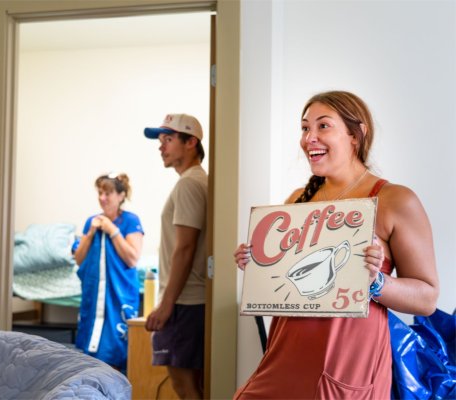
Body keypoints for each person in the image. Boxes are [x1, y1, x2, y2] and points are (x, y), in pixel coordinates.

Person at [233, 90, 440, 399]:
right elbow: (284, 284)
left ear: (356, 135)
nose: (309, 138)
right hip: (284, 356)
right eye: (305, 128)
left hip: (348, 362)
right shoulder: (296, 200)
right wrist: (257, 262)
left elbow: (426, 298)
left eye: (323, 126)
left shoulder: (395, 200)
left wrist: (375, 281)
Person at [144, 113, 208, 399]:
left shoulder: (189, 184)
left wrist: (166, 306)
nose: (161, 146)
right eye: (160, 140)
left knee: (185, 387)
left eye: (168, 139)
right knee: (196, 386)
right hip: (190, 301)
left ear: (191, 142)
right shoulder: (198, 182)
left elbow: (185, 247)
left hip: (184, 302)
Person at [73, 172, 144, 372]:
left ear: (121, 196)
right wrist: (92, 232)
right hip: (95, 297)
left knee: (114, 353)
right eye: (100, 193)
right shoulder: (92, 221)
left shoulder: (130, 221)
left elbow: (132, 258)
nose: (102, 198)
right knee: (91, 358)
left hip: (118, 296)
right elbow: (79, 259)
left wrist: (112, 230)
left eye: (108, 193)